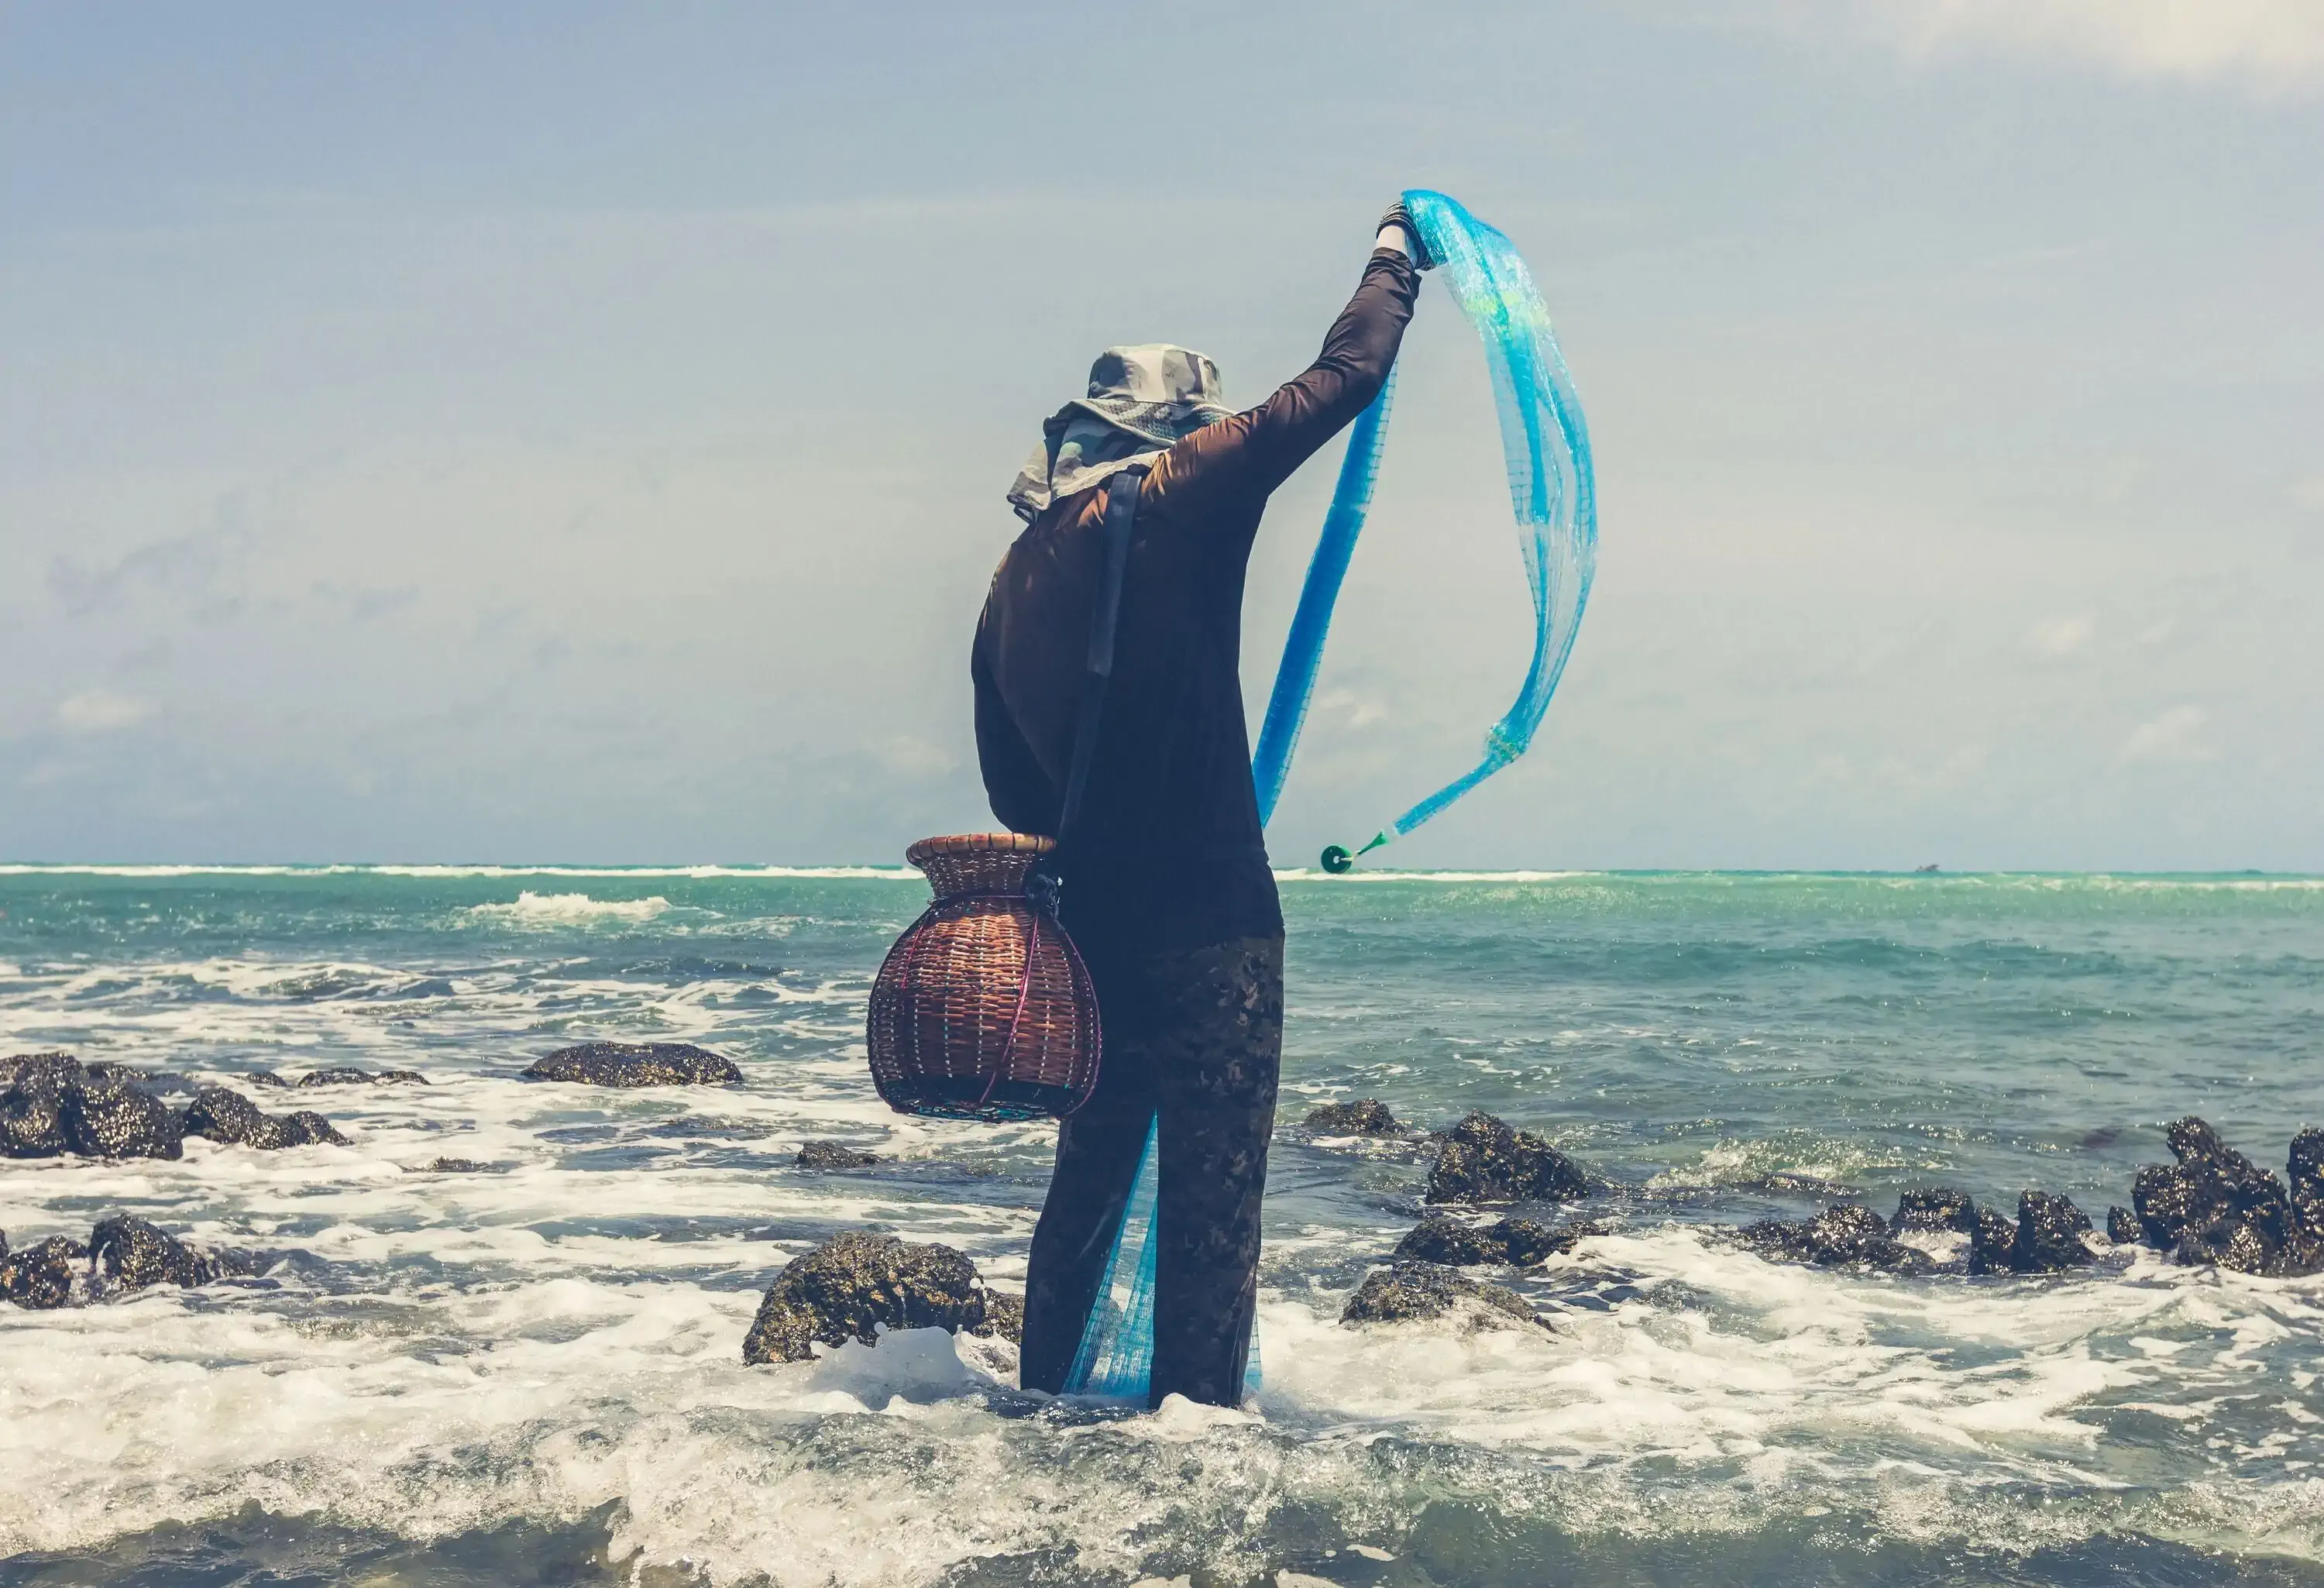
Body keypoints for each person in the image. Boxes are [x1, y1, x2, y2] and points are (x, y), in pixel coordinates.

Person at [973, 203, 1430, 1408]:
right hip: (1210, 919)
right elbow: (1349, 374)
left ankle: (1045, 1416)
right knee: (1212, 1201)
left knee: (1090, 1184)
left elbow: (1013, 791)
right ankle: (1194, 1450)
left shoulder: (1011, 582)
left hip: (1089, 926)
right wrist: (1395, 250)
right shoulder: (1178, 493)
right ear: (1175, 430)